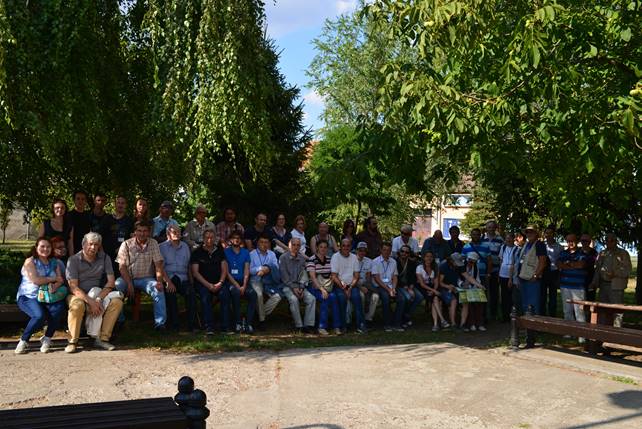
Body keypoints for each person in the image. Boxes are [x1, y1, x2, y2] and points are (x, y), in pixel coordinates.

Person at [65, 232, 123, 353]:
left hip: (98, 293)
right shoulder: (74, 260)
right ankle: (73, 341)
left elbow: (111, 282)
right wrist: (90, 302)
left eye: (96, 245)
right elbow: (73, 287)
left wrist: (98, 299)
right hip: (77, 294)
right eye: (90, 244)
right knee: (77, 305)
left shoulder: (105, 258)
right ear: (83, 244)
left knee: (117, 302)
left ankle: (102, 339)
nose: (93, 247)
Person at [14, 238, 66, 354]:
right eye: (42, 246)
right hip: (28, 296)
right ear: (36, 247)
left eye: (48, 247)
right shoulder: (30, 261)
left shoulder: (54, 262)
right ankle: (24, 340)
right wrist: (53, 279)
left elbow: (60, 279)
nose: (45, 249)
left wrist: (56, 286)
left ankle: (47, 338)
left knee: (58, 309)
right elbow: (36, 280)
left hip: (48, 296)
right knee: (39, 316)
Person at [115, 220, 168, 330]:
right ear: (135, 232)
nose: (142, 233)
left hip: (146, 278)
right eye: (139, 231)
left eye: (145, 231)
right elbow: (122, 267)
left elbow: (158, 264)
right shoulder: (126, 244)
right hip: (128, 278)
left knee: (158, 289)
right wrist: (129, 283)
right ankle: (119, 320)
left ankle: (160, 323)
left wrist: (159, 281)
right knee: (117, 286)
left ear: (149, 232)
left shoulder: (153, 243)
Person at [191, 229, 231, 335]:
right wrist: (208, 285)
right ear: (203, 239)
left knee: (225, 295)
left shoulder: (220, 251)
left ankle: (225, 327)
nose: (209, 239)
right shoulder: (197, 253)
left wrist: (221, 282)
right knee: (205, 297)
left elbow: (224, 269)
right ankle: (209, 327)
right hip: (203, 283)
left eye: (212, 237)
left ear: (215, 239)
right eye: (207, 237)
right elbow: (195, 273)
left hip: (219, 282)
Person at [159, 224, 197, 331]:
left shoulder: (185, 246)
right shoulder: (161, 247)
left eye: (179, 232)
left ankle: (192, 324)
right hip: (169, 278)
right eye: (174, 232)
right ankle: (175, 324)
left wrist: (191, 282)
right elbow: (160, 268)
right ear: (168, 234)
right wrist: (168, 282)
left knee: (191, 293)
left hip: (183, 279)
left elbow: (189, 266)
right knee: (170, 293)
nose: (177, 234)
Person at [591, 233, 632, 327]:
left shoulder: (623, 253)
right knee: (603, 310)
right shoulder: (602, 253)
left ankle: (617, 334)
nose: (609, 243)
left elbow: (627, 270)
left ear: (616, 241)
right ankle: (604, 333)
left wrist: (615, 274)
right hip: (603, 285)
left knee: (617, 311)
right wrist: (594, 282)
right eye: (607, 241)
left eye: (612, 240)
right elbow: (597, 269)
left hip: (616, 286)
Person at [279, 237, 316, 333]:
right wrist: (294, 288)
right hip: (287, 286)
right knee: (294, 299)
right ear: (289, 245)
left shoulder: (302, 258)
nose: (296, 247)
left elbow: (304, 275)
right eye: (293, 244)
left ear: (300, 247)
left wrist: (302, 288)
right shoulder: (283, 258)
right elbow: (284, 277)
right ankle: (299, 326)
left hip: (300, 286)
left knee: (311, 299)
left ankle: (308, 325)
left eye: (298, 245)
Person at [224, 230, 257, 333]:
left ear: (241, 240)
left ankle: (248, 323)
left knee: (253, 294)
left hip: (243, 281)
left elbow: (247, 270)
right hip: (231, 281)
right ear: (230, 240)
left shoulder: (245, 252)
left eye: (238, 238)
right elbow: (226, 272)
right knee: (235, 292)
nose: (236, 239)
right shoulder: (225, 252)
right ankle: (237, 322)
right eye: (234, 237)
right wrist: (237, 286)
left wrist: (244, 285)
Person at [307, 239, 341, 335]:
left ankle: (336, 326)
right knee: (325, 298)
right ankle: (322, 327)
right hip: (315, 286)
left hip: (328, 286)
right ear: (317, 247)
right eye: (321, 247)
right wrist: (322, 290)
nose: (323, 249)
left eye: (325, 247)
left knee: (334, 298)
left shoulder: (330, 259)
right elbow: (313, 278)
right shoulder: (311, 259)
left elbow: (333, 273)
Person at [331, 238, 365, 333]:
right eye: (343, 245)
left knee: (357, 298)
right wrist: (344, 288)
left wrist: (349, 287)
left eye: (348, 245)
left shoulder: (354, 257)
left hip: (351, 285)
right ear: (340, 247)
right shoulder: (335, 257)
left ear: (351, 247)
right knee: (342, 299)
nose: (346, 247)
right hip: (339, 285)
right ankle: (343, 326)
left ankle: (361, 325)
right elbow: (334, 276)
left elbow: (356, 276)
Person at [558, 233, 588, 340]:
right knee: (567, 311)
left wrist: (568, 265)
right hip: (565, 286)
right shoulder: (563, 253)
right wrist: (573, 264)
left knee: (579, 311)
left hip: (578, 287)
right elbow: (559, 265)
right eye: (568, 241)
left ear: (577, 241)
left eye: (572, 240)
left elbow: (581, 265)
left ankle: (581, 335)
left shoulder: (582, 253)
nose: (570, 243)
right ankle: (568, 332)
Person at [372, 242, 405, 332]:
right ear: (381, 250)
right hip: (380, 286)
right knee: (385, 298)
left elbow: (395, 276)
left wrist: (393, 288)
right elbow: (376, 278)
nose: (386, 252)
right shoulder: (375, 261)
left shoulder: (393, 261)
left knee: (401, 299)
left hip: (391, 285)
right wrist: (388, 289)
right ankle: (387, 324)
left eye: (389, 250)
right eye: (384, 250)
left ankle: (397, 323)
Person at [249, 234, 282, 325]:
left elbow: (276, 267)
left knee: (278, 296)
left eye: (266, 242)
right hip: (256, 280)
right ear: (257, 243)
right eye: (261, 242)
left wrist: (268, 269)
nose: (264, 244)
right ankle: (262, 321)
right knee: (259, 295)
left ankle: (260, 314)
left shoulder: (272, 254)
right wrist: (261, 268)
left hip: (269, 281)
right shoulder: (252, 254)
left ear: (269, 244)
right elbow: (249, 270)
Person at [417, 251, 453, 331]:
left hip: (433, 287)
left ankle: (436, 324)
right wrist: (433, 290)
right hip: (423, 288)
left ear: (433, 258)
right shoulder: (419, 268)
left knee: (435, 299)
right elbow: (422, 284)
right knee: (435, 299)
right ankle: (442, 320)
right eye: (427, 256)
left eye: (431, 256)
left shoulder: (435, 267)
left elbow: (436, 282)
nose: (429, 258)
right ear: (424, 258)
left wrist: (434, 290)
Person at [516, 226, 547, 315]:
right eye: (527, 232)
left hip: (532, 279)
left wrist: (536, 275)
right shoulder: (526, 244)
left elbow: (542, 262)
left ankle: (534, 326)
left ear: (536, 234)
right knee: (525, 303)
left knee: (533, 304)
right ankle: (527, 325)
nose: (529, 234)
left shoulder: (539, 244)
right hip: (523, 277)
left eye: (531, 232)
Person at [103, 195, 134, 272]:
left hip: (123, 255)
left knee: (120, 279)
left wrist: (122, 249)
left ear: (126, 205)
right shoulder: (107, 218)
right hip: (107, 255)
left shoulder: (129, 220)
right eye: (118, 203)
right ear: (115, 204)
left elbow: (132, 239)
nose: (120, 205)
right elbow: (100, 236)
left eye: (123, 203)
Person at [395, 244, 423, 329]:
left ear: (409, 254)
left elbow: (413, 277)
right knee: (407, 297)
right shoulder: (395, 262)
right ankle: (402, 319)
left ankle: (406, 315)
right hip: (398, 285)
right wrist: (405, 287)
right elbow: (395, 277)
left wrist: (410, 287)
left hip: (409, 285)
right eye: (402, 251)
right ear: (399, 252)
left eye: (407, 252)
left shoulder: (411, 263)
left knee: (419, 297)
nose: (404, 253)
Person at [458, 252, 487, 332]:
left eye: (473, 262)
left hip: (472, 288)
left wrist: (479, 287)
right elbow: (458, 279)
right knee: (469, 302)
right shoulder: (461, 266)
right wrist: (463, 284)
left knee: (481, 301)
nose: (471, 264)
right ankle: (471, 323)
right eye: (470, 262)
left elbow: (477, 279)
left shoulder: (475, 267)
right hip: (462, 288)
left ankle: (480, 323)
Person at [482, 221, 504, 322]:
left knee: (494, 293)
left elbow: (502, 256)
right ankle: (484, 314)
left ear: (495, 228)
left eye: (492, 227)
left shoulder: (500, 240)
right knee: (484, 292)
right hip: (483, 270)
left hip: (495, 270)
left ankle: (494, 314)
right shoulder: (482, 239)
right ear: (486, 228)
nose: (491, 229)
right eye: (489, 227)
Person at [438, 252, 465, 330]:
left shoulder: (457, 266)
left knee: (464, 300)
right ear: (452, 261)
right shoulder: (443, 266)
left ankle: (463, 323)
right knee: (453, 300)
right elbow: (440, 282)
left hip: (455, 287)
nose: (457, 265)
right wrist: (448, 286)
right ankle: (453, 323)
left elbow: (464, 276)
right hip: (445, 288)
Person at [541, 226, 563, 317]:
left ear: (554, 234)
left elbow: (561, 261)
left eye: (550, 233)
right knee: (542, 295)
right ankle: (542, 315)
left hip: (554, 273)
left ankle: (552, 316)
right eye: (547, 233)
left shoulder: (559, 247)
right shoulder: (542, 245)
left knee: (553, 296)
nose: (548, 235)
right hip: (543, 272)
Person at [356, 242, 379, 324]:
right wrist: (361, 287)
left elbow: (368, 277)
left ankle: (368, 318)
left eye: (364, 250)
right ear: (357, 251)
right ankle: (361, 318)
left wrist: (366, 287)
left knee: (375, 296)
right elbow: (352, 278)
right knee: (361, 296)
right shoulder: (352, 260)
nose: (362, 252)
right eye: (360, 250)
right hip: (356, 285)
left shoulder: (369, 261)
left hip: (366, 284)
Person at [498, 232, 519, 322]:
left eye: (510, 238)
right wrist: (499, 273)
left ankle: (513, 315)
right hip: (503, 274)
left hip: (511, 276)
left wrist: (510, 278)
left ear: (513, 239)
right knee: (504, 296)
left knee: (512, 297)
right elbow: (501, 260)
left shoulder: (517, 249)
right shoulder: (503, 247)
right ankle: (505, 316)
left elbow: (514, 264)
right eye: (506, 238)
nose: (508, 240)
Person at [68, 190, 91, 255]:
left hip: (86, 250)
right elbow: (69, 237)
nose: (80, 201)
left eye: (83, 199)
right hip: (72, 250)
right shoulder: (69, 215)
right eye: (78, 199)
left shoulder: (89, 215)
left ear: (86, 201)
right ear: (74, 200)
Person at [580, 233, 598, 301]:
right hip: (579, 281)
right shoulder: (578, 251)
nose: (584, 242)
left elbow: (597, 268)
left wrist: (594, 282)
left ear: (590, 241)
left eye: (586, 240)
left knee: (590, 301)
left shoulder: (594, 253)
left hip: (590, 281)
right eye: (582, 240)